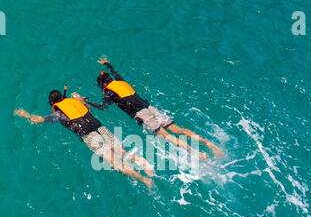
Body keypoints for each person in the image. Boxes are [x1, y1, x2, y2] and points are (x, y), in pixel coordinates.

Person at [15, 89, 154, 189]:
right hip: (100, 128)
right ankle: (146, 165)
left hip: (90, 135)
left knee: (114, 162)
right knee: (122, 152)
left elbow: (39, 120)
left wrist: (25, 114)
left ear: (52, 103)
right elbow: (86, 106)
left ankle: (144, 180)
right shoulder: (76, 103)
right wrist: (78, 98)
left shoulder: (58, 113)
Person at [94, 57, 224, 159]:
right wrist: (107, 64)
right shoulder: (120, 81)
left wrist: (87, 103)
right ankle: (209, 144)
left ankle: (198, 154)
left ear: (103, 85)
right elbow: (114, 72)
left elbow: (103, 106)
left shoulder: (108, 92)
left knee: (168, 137)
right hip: (150, 107)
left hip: (143, 114)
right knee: (177, 129)